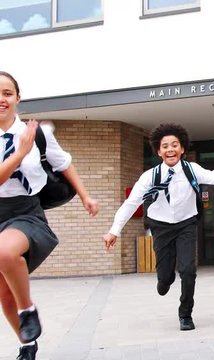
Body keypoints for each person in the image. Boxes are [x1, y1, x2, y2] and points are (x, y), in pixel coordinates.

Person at [0, 71, 99, 360]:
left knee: (5, 253)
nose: (1, 99)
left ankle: (27, 309)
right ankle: (27, 346)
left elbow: (64, 163)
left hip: (25, 213)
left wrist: (85, 196)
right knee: (5, 294)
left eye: (7, 93)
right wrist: (20, 153)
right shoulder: (24, 142)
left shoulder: (37, 133)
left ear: (18, 97)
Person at [103, 123, 214, 331]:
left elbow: (212, 176)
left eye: (175, 145)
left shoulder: (191, 169)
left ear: (182, 148)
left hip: (186, 224)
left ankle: (185, 314)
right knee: (165, 276)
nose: (170, 149)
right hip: (161, 226)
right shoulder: (150, 177)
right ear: (159, 151)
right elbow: (131, 203)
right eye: (165, 146)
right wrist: (114, 230)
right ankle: (164, 280)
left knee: (188, 270)